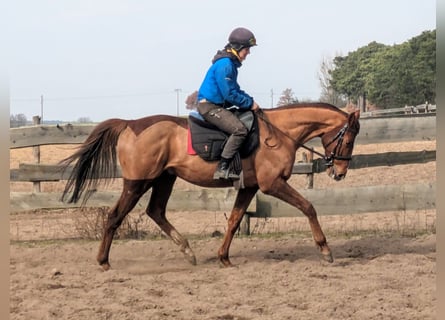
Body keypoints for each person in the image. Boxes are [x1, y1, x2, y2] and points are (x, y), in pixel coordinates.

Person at [197, 27, 260, 180]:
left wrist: (250, 101)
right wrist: (249, 104)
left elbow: (235, 89)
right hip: (209, 107)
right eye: (247, 49)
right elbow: (229, 94)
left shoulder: (229, 65)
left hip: (216, 105)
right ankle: (222, 167)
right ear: (238, 48)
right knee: (239, 130)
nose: (248, 53)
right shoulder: (225, 65)